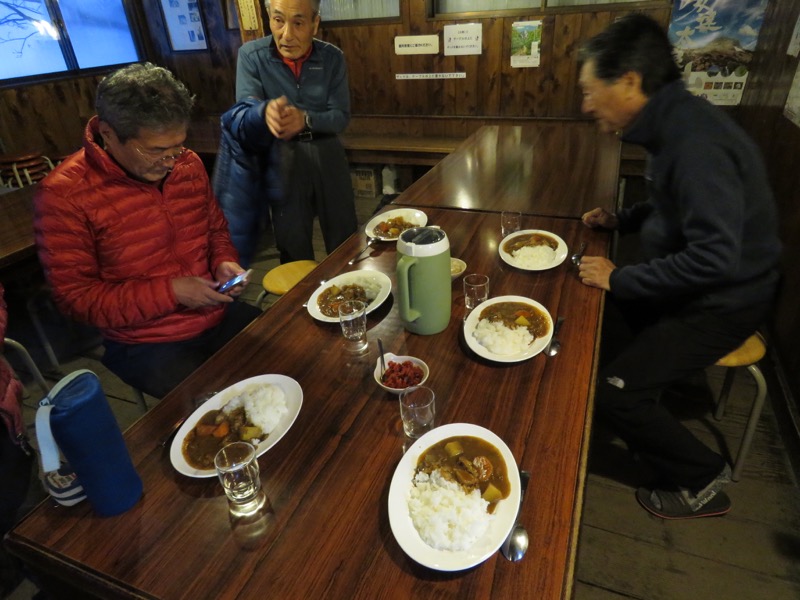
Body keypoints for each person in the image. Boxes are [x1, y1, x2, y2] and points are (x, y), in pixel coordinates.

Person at [576, 15, 781, 519]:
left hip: (724, 301)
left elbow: (713, 258)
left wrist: (621, 276)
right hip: (698, 285)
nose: (585, 104)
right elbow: (675, 207)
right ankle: (628, 396)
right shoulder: (674, 121)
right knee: (604, 327)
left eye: (589, 89)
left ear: (628, 81)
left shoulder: (695, 142)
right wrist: (621, 219)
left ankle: (704, 478)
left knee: (615, 393)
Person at [34, 63, 262, 399]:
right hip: (146, 342)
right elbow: (76, 300)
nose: (170, 161)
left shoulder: (188, 164)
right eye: (155, 150)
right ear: (108, 134)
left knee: (291, 356)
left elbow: (214, 230)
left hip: (216, 313)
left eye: (177, 147)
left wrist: (224, 262)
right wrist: (172, 292)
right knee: (225, 408)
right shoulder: (64, 194)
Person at [223, 0, 357, 264]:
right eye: (278, 20)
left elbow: (340, 117)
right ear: (269, 18)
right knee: (292, 242)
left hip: (327, 152)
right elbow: (244, 110)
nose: (286, 34)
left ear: (315, 24)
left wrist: (305, 119)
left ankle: (351, 298)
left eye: (298, 23)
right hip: (282, 157)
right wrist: (262, 113)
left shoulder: (332, 57)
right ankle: (298, 302)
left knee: (345, 238)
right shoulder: (252, 55)